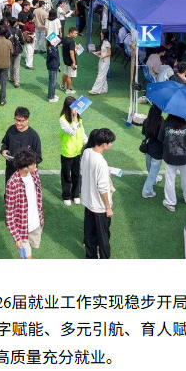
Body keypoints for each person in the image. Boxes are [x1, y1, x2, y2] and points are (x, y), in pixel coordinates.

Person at [80, 128, 116, 259]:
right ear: (104, 144)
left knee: (89, 234)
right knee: (103, 236)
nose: (111, 144)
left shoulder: (87, 152)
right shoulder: (101, 162)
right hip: (100, 207)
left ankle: (90, 257)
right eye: (110, 142)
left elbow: (83, 171)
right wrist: (108, 207)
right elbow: (102, 188)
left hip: (88, 202)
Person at [4, 146, 45, 258]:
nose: (36, 165)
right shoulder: (12, 184)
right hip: (22, 230)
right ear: (25, 167)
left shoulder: (34, 174)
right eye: (33, 163)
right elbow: (9, 214)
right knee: (27, 257)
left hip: (36, 224)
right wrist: (16, 237)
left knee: (24, 257)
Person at [158, 115, 186, 212]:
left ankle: (170, 202)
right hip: (184, 158)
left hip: (169, 157)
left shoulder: (165, 124)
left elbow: (160, 138)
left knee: (170, 180)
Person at [0, 107, 43, 183]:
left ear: (27, 120)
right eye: (16, 120)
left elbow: (38, 158)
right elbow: (5, 143)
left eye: (21, 121)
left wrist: (25, 165)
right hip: (11, 171)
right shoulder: (11, 129)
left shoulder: (34, 136)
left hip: (26, 175)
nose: (18, 123)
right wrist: (3, 151)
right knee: (9, 190)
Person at [59, 96, 85, 205]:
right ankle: (66, 196)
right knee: (66, 175)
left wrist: (87, 142)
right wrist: (74, 118)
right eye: (74, 107)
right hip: (67, 152)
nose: (76, 109)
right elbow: (72, 132)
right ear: (68, 107)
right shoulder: (62, 119)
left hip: (77, 151)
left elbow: (81, 131)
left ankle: (76, 194)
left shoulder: (79, 118)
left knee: (76, 174)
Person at [141, 104, 165, 198]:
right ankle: (146, 192)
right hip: (158, 151)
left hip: (148, 148)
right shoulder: (162, 123)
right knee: (153, 172)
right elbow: (162, 138)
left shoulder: (146, 121)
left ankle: (155, 179)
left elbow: (144, 133)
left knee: (149, 167)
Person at [89, 29, 111, 94]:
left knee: (100, 75)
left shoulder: (107, 43)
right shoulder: (104, 41)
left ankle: (95, 90)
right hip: (102, 60)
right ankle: (104, 89)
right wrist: (97, 52)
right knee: (102, 74)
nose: (100, 34)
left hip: (105, 61)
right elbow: (103, 51)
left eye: (101, 33)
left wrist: (102, 56)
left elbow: (109, 53)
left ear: (104, 34)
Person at [60, 26, 78, 95]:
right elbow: (71, 52)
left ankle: (62, 85)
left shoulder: (64, 38)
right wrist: (74, 62)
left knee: (66, 73)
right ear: (70, 33)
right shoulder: (71, 41)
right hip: (70, 61)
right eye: (75, 33)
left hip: (66, 60)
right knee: (70, 76)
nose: (76, 35)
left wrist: (75, 47)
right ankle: (68, 89)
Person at [45, 38, 60, 103]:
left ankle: (52, 95)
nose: (56, 40)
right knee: (52, 83)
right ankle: (51, 98)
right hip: (52, 67)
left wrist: (58, 65)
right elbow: (54, 55)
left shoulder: (54, 47)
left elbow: (57, 57)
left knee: (54, 82)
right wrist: (54, 46)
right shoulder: (50, 48)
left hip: (55, 66)